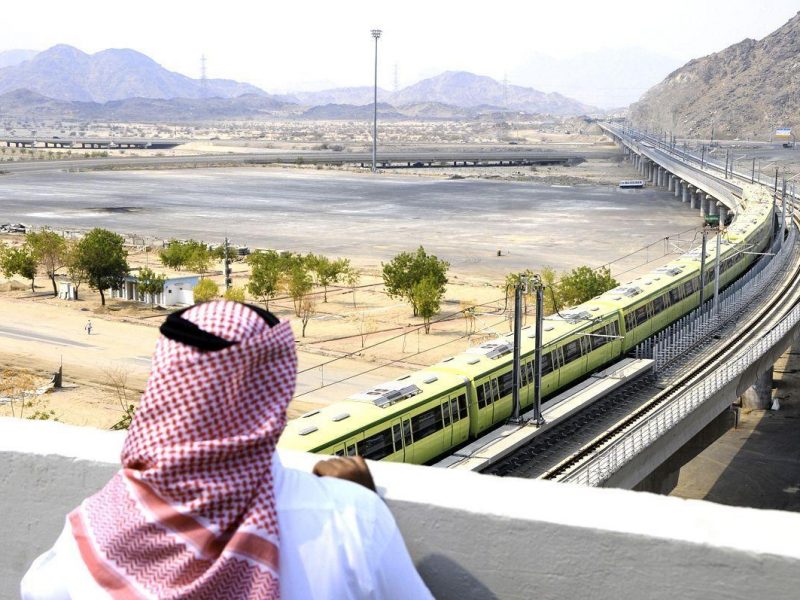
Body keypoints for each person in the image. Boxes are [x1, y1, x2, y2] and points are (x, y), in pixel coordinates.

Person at [21, 301, 432, 599]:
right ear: (275, 392)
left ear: (164, 386)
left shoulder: (93, 530)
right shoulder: (350, 522)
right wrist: (360, 499)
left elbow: (38, 590)